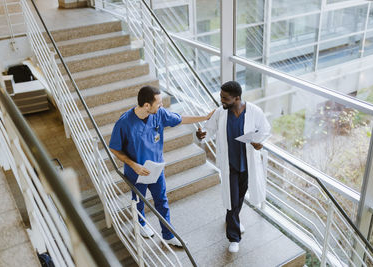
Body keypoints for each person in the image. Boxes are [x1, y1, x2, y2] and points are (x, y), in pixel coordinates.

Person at [109, 85, 214, 247]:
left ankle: (168, 235)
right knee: (138, 201)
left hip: (156, 169)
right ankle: (141, 225)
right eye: (158, 103)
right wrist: (133, 165)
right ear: (146, 105)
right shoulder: (124, 123)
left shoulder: (159, 114)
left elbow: (180, 118)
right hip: (136, 172)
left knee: (162, 201)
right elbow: (114, 148)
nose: (162, 106)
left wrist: (205, 117)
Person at [196, 81, 271, 253]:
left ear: (237, 98)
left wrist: (259, 143)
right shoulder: (220, 113)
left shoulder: (254, 111)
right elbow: (209, 130)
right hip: (229, 164)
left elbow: (265, 130)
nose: (221, 100)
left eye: (225, 97)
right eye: (221, 96)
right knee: (232, 200)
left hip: (247, 164)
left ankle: (233, 220)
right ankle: (234, 237)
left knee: (238, 198)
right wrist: (201, 135)